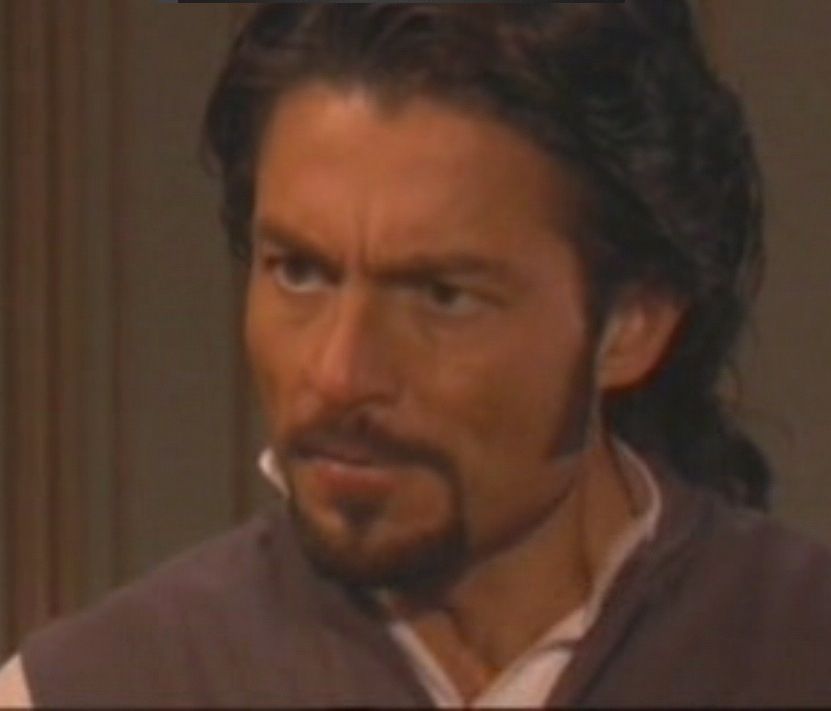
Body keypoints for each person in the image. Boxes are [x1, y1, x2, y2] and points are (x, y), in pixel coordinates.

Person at [3, 2, 831, 707]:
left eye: (441, 295)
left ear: (631, 325)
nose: (337, 375)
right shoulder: (104, 686)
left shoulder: (794, 653)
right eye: (299, 272)